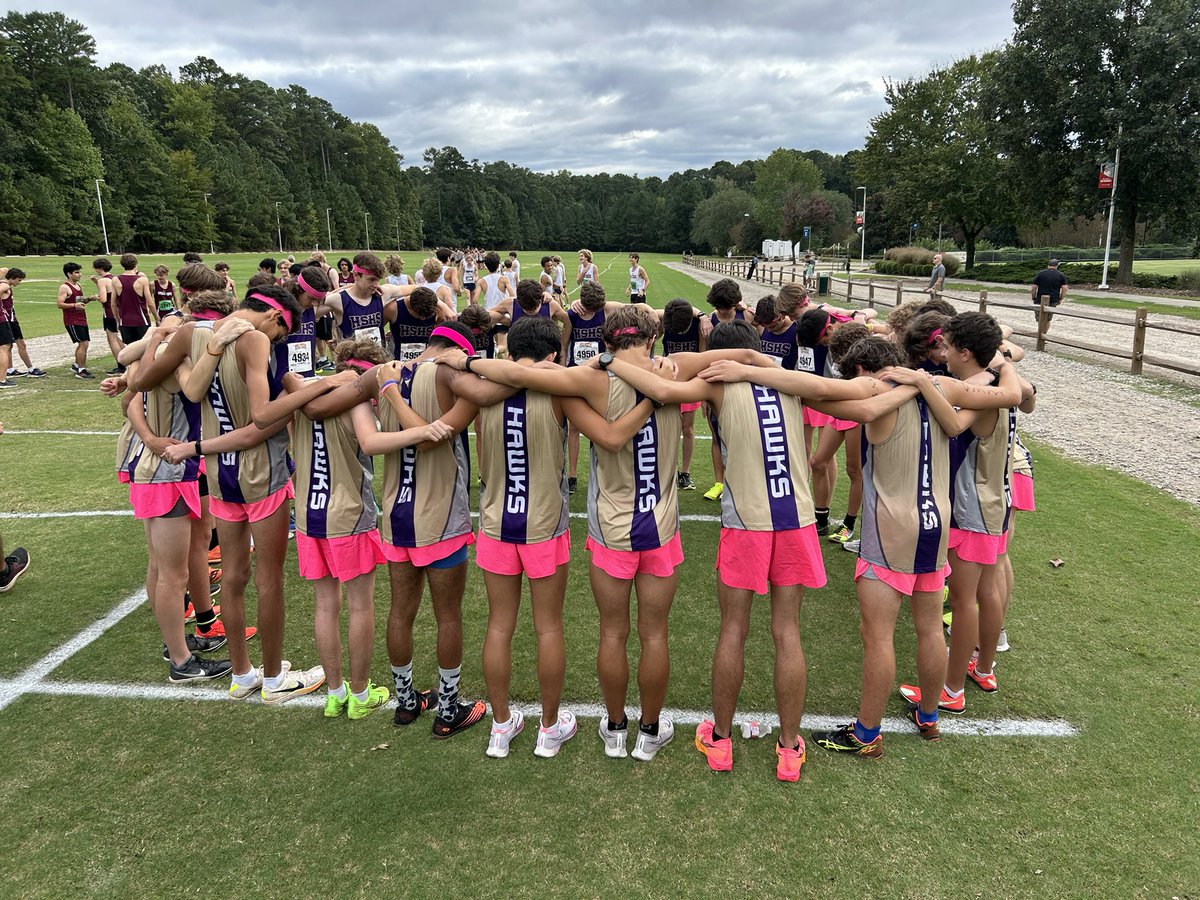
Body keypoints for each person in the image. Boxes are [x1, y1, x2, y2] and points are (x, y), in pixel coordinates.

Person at [449, 305, 775, 762]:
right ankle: (649, 732)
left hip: (610, 531)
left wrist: (463, 361)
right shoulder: (674, 368)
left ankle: (615, 730)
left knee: (611, 634)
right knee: (655, 634)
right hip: (659, 529)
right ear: (652, 340)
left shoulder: (592, 377)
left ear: (608, 342)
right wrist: (766, 364)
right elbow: (737, 350)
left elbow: (516, 375)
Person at [447, 316, 656, 758]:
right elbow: (610, 434)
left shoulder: (482, 390)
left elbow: (445, 425)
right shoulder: (561, 391)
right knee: (548, 626)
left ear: (509, 353)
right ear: (554, 354)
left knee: (499, 625)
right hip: (543, 526)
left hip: (496, 523)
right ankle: (547, 728)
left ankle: (501, 727)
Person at [808, 338, 1021, 758]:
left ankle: (867, 733)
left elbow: (815, 392)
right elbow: (1014, 391)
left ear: (870, 371)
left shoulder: (882, 396)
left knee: (879, 636)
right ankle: (928, 714)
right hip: (936, 525)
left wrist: (753, 370)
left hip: (892, 532)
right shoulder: (942, 388)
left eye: (858, 378)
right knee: (927, 628)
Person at [134, 284, 344, 703]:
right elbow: (262, 416)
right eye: (284, 328)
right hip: (260, 470)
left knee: (232, 577)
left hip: (218, 473)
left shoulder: (191, 333)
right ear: (272, 315)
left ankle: (242, 674)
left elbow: (141, 382)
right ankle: (272, 680)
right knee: (268, 580)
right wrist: (323, 385)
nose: (281, 338)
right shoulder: (255, 339)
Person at [290, 341, 450, 720]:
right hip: (346, 515)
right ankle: (360, 693)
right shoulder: (356, 402)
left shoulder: (303, 396)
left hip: (308, 516)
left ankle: (335, 692)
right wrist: (423, 432)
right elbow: (370, 442)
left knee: (325, 605)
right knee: (360, 605)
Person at [894, 312, 1034, 715]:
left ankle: (951, 689)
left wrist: (923, 382)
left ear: (966, 352)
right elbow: (1027, 395)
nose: (944, 355)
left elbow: (954, 425)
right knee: (986, 593)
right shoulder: (1001, 378)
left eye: (949, 348)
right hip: (996, 502)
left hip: (974, 509)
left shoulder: (982, 387)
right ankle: (984, 668)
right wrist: (1004, 363)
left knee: (964, 600)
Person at [564, 281, 609, 493]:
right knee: (573, 428)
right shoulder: (571, 315)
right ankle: (572, 475)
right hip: (576, 376)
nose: (592, 312)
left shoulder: (605, 311)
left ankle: (599, 472)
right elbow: (564, 345)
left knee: (599, 426)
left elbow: (639, 309)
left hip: (598, 377)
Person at [661, 298, 707, 491]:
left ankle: (685, 473)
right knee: (667, 428)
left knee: (687, 428)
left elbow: (703, 356)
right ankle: (666, 471)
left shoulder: (698, 325)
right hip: (667, 383)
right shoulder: (665, 320)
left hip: (690, 384)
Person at [0, 269, 46, 381]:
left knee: (9, 346)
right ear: (13, 278)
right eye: (19, 280)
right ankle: (31, 369)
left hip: (10, 318)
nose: (19, 283)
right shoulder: (5, 286)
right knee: (19, 345)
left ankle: (10, 370)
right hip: (9, 320)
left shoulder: (3, 283)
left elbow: (4, 269)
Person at [57, 263, 96, 379]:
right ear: (69, 274)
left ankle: (76, 365)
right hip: (72, 320)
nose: (80, 274)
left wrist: (89, 299)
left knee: (84, 343)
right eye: (77, 272)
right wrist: (74, 305)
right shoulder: (65, 287)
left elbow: (80, 302)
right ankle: (81, 370)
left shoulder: (78, 286)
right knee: (83, 343)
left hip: (81, 318)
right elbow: (59, 304)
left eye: (79, 272)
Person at [113, 254, 157, 346]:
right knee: (144, 348)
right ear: (136, 264)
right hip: (141, 320)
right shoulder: (142, 280)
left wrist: (118, 320)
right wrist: (157, 318)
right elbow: (150, 302)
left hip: (125, 321)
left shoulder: (115, 280)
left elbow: (113, 303)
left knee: (130, 348)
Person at [1031, 258, 1067, 332]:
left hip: (1039, 299)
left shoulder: (1041, 273)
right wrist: (1060, 299)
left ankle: (1040, 334)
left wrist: (1033, 297)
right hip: (1053, 300)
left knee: (1040, 319)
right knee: (1047, 319)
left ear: (1048, 265)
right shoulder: (1060, 275)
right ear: (1057, 266)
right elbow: (1064, 289)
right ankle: (1043, 335)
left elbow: (1033, 287)